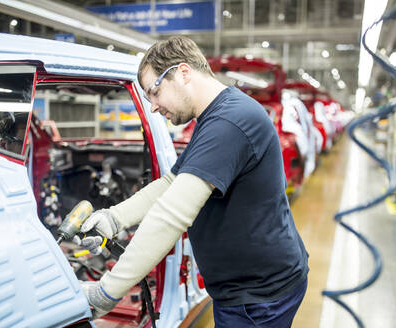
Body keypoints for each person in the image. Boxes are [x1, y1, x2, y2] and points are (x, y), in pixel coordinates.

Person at [79, 36, 309, 327]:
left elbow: (171, 215)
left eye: (154, 92)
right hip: (247, 287)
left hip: (258, 296)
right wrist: (114, 218)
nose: (152, 106)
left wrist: (107, 291)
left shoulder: (230, 122)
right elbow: (170, 184)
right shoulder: (215, 117)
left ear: (183, 73)